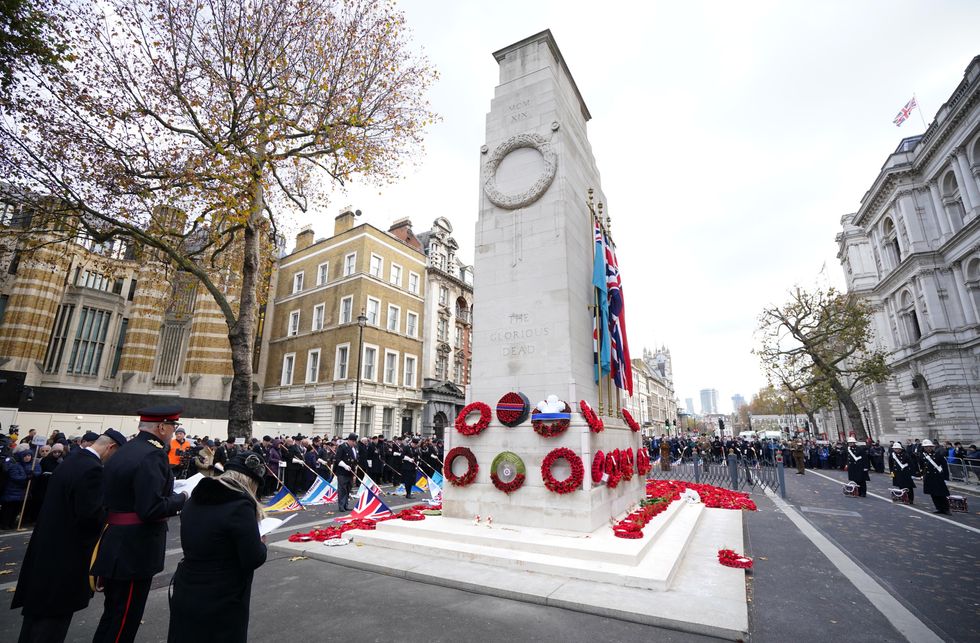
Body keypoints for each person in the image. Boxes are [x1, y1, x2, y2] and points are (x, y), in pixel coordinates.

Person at [11, 430, 126, 643]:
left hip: (46, 551)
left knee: (34, 622)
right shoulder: (92, 470)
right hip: (65, 558)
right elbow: (90, 516)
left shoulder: (73, 461)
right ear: (111, 448)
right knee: (52, 625)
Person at [90, 405, 189, 643]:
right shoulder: (153, 455)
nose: (174, 431)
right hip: (134, 548)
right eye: (173, 426)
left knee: (113, 614)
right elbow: (151, 508)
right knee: (125, 618)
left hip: (116, 539)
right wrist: (183, 497)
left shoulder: (127, 449)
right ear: (161, 427)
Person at [167, 453, 267, 643]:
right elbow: (253, 557)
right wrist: (261, 543)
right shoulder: (239, 506)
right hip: (222, 593)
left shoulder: (194, 499)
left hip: (187, 583)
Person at [0, 446, 33, 529]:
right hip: (11, 491)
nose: (27, 457)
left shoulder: (22, 464)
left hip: (19, 492)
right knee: (8, 509)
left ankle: (11, 523)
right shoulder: (14, 464)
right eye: (25, 455)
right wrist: (26, 477)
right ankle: (5, 524)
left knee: (15, 509)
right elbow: (15, 477)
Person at [918, 439, 951, 515]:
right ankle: (939, 508)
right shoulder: (922, 456)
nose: (927, 448)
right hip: (929, 477)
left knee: (941, 493)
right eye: (926, 447)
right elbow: (922, 466)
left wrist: (946, 477)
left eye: (929, 447)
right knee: (933, 493)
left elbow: (944, 466)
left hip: (938, 477)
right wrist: (922, 475)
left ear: (932, 447)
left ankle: (946, 509)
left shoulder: (937, 454)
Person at [334, 434, 358, 511]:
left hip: (350, 472)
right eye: (353, 441)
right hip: (342, 472)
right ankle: (341, 506)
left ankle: (345, 505)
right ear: (350, 440)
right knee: (342, 489)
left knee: (348, 489)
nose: (354, 443)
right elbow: (337, 459)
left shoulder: (353, 448)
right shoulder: (342, 447)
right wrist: (344, 465)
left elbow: (354, 460)